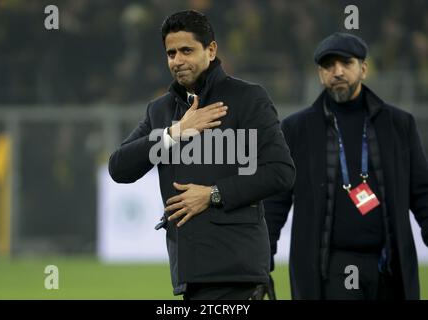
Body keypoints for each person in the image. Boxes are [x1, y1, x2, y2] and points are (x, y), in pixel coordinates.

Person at [108, 10, 295, 300]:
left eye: (186, 50)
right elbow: (119, 168)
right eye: (171, 53)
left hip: (237, 271)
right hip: (190, 275)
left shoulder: (248, 99)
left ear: (211, 50)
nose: (177, 60)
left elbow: (280, 171)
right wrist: (174, 133)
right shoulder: (161, 111)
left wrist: (213, 194)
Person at [264, 32, 428, 300]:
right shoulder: (297, 129)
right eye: (329, 65)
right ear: (320, 74)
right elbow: (275, 201)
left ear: (363, 69)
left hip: (389, 265)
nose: (337, 71)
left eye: (346, 63)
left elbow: (422, 193)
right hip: (328, 269)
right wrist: (262, 260)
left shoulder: (399, 125)